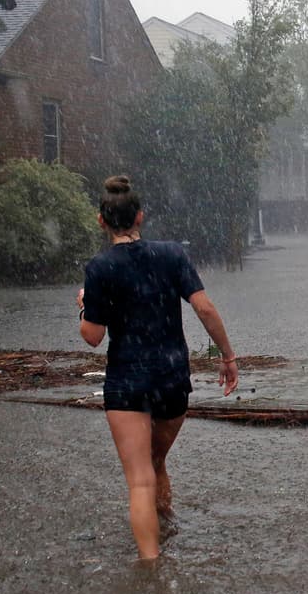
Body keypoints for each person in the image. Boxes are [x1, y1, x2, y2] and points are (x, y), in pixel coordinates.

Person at [77, 175, 239, 560]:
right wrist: (228, 357)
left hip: (127, 382)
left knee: (139, 482)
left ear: (101, 222)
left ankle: (151, 571)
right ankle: (166, 523)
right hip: (171, 378)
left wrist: (85, 303)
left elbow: (92, 336)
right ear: (140, 217)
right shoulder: (172, 255)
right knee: (156, 459)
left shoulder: (100, 268)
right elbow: (204, 308)